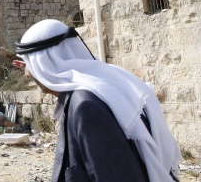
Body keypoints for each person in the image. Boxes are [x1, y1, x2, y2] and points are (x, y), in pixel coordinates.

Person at [16, 19, 181, 182]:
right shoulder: (105, 84)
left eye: (28, 63)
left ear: (46, 62)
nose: (27, 73)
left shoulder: (85, 106)